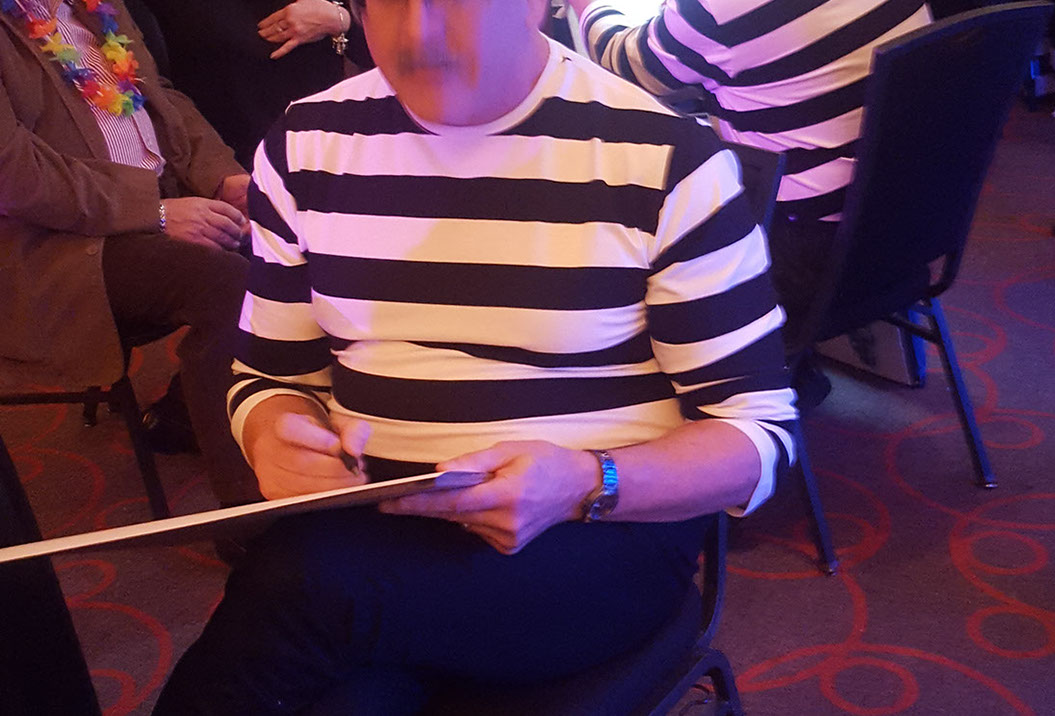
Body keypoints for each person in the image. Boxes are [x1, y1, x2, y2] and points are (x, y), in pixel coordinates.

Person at [152, 0, 797, 711]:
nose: (418, 34)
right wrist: (272, 432)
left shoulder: (664, 156)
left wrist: (587, 482)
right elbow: (271, 374)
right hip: (376, 524)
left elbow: (756, 435)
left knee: (300, 585)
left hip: (594, 534)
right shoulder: (306, 143)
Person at [0, 0, 260, 506]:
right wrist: (153, 212)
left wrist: (223, 177)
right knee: (226, 284)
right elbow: (14, 175)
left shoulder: (96, 5)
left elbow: (160, 96)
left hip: (155, 200)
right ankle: (251, 521)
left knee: (288, 237)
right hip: (51, 246)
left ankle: (188, 410)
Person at [568, 0, 932, 354]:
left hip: (802, 258)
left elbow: (624, 60)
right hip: (910, 231)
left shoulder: (718, 11)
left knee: (608, 180)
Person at [143, 0, 373, 168]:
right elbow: (149, 79)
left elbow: (376, 51)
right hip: (216, 156)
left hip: (320, 144)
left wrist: (338, 19)